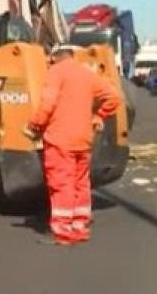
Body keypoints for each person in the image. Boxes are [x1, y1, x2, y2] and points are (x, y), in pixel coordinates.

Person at [25, 45, 121, 245]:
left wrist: (35, 125)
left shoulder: (56, 72)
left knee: (62, 183)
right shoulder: (87, 73)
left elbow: (48, 103)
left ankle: (62, 229)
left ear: (55, 58)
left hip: (60, 138)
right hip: (83, 138)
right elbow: (114, 97)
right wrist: (99, 115)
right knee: (80, 182)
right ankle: (79, 225)